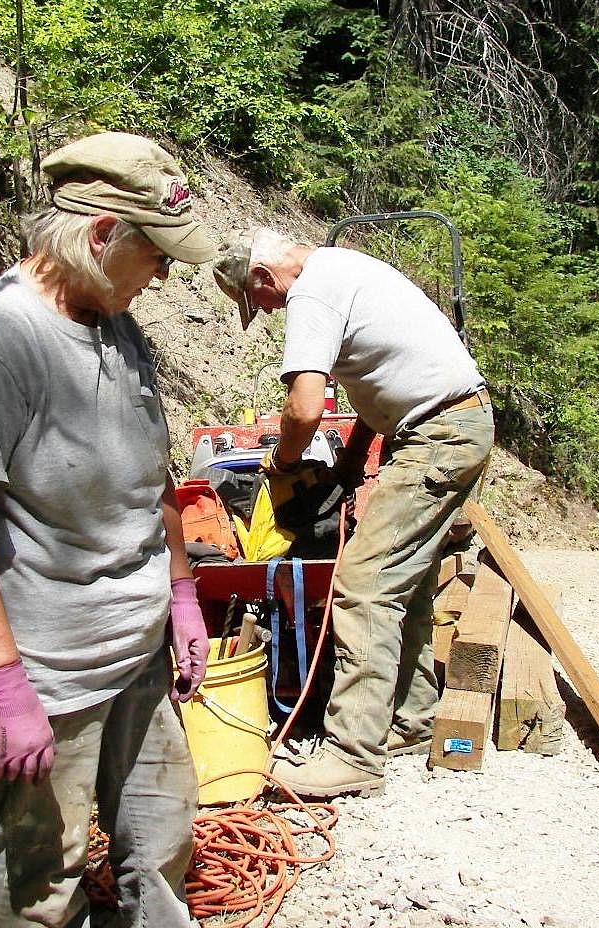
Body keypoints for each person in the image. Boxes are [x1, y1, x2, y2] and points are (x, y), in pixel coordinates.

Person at [0, 131, 215, 927]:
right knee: (40, 883)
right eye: (158, 256)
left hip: (136, 655)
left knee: (161, 839)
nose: (165, 276)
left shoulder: (116, 325)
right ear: (100, 236)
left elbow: (155, 480)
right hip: (50, 677)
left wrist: (180, 596)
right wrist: (5, 690)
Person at [212, 227, 494, 797]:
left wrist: (282, 467)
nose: (265, 311)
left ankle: (353, 756)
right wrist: (351, 461)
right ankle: (412, 721)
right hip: (450, 425)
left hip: (437, 434)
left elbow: (305, 406)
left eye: (257, 300)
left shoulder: (311, 294)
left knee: (361, 586)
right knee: (400, 580)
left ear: (264, 277)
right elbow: (373, 383)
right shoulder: (341, 271)